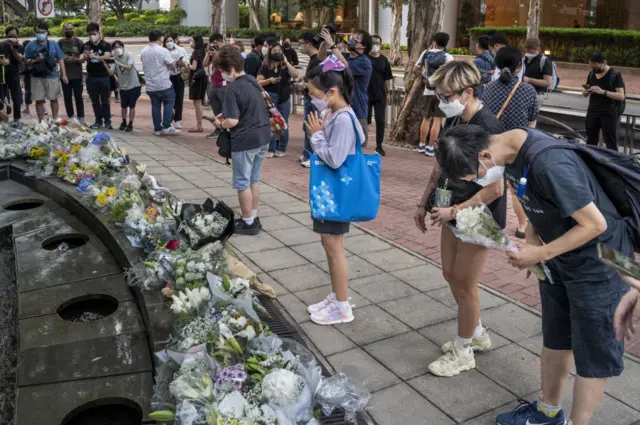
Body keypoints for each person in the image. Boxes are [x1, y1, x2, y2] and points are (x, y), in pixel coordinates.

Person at [436, 123, 636, 425]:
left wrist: (541, 253)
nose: (479, 181)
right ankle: (548, 413)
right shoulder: (513, 151)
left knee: (594, 350)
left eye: (474, 175)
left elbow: (596, 225)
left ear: (485, 154)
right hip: (561, 256)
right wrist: (532, 241)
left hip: (603, 260)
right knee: (556, 336)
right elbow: (537, 202)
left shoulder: (551, 164)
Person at [414, 61, 505, 377]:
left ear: (468, 92)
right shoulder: (453, 119)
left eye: (446, 94)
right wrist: (423, 202)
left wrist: (454, 211)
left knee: (466, 285)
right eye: (438, 94)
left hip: (478, 215)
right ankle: (476, 333)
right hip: (448, 208)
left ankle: (464, 350)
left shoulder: (489, 128)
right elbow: (440, 166)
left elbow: (495, 188)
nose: (441, 100)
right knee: (451, 275)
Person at [303, 57, 365, 325]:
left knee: (333, 247)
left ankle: (342, 307)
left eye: (314, 93)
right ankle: (337, 296)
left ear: (332, 92)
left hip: (336, 193)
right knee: (328, 245)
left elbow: (336, 159)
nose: (311, 98)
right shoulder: (337, 113)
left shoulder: (342, 118)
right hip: (329, 192)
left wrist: (316, 136)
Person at [212, 45, 271, 236]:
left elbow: (233, 121)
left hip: (245, 140)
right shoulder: (252, 81)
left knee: (242, 183)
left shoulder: (233, 88)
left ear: (229, 67)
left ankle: (247, 223)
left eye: (221, 70)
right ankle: (253, 216)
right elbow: (250, 106)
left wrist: (220, 124)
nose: (221, 74)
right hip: (263, 136)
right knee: (254, 179)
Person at [483, 46, 539, 240]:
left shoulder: (489, 88)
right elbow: (532, 121)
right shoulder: (527, 90)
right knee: (516, 189)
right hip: (518, 146)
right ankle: (522, 226)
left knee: (491, 183)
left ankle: (489, 220)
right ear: (518, 66)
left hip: (493, 144)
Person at [318, 28, 373, 146]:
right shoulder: (345, 56)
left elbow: (346, 66)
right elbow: (321, 57)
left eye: (357, 39)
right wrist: (324, 42)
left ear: (363, 46)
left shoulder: (364, 62)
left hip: (357, 111)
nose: (352, 40)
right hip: (340, 109)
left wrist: (333, 45)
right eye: (353, 37)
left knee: (356, 147)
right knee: (338, 144)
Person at [412, 32, 453, 156]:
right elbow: (451, 75)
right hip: (441, 92)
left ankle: (421, 145)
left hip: (428, 90)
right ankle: (430, 148)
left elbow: (415, 69)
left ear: (434, 41)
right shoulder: (448, 57)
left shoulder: (426, 53)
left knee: (426, 118)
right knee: (437, 120)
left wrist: (424, 78)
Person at [257, 43, 298, 157]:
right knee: (272, 123)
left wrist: (286, 61)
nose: (277, 53)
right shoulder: (265, 66)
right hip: (270, 97)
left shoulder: (285, 67)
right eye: (274, 51)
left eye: (279, 51)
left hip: (284, 98)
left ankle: (282, 148)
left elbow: (295, 74)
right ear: (270, 53)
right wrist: (269, 80)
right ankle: (271, 149)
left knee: (284, 123)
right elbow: (258, 82)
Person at [24, 22, 68, 121]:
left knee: (54, 99)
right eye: (38, 32)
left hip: (52, 76)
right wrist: (36, 60)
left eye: (42, 32)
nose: (40, 34)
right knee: (39, 100)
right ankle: (41, 121)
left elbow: (61, 59)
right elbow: (26, 61)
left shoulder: (53, 44)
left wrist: (64, 75)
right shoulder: (30, 45)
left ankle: (54, 119)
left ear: (47, 32)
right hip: (37, 76)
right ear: (35, 33)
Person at [583, 52, 625, 151]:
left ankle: (613, 163)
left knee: (610, 142)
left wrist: (603, 92)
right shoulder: (592, 73)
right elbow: (588, 86)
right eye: (592, 67)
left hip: (608, 113)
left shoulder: (614, 75)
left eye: (597, 68)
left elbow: (621, 96)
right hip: (592, 111)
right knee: (590, 141)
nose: (595, 70)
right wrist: (585, 92)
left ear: (604, 63)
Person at [141, 30, 178, 136]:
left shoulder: (144, 51)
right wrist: (175, 61)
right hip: (163, 83)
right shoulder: (163, 51)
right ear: (160, 39)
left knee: (155, 106)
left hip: (151, 85)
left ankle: (157, 129)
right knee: (169, 102)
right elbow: (171, 65)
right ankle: (166, 125)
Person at [299, 32, 322, 168]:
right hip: (309, 98)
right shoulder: (313, 59)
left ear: (308, 44)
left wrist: (307, 85)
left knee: (312, 127)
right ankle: (307, 153)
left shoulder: (317, 59)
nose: (301, 46)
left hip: (314, 99)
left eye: (302, 43)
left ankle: (314, 156)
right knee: (307, 127)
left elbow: (317, 80)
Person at [367, 35, 393, 156]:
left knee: (380, 120)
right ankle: (360, 144)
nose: (375, 45)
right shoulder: (364, 58)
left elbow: (387, 78)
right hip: (365, 94)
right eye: (373, 43)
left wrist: (388, 92)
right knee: (363, 120)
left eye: (377, 43)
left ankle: (379, 145)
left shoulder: (383, 60)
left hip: (380, 95)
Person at [83, 23, 112, 129]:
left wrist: (94, 56)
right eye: (89, 34)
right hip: (91, 77)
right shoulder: (86, 45)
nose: (92, 36)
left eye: (94, 34)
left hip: (103, 77)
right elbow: (83, 59)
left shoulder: (105, 45)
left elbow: (106, 56)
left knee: (105, 101)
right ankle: (98, 120)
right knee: (95, 101)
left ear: (99, 33)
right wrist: (84, 57)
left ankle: (108, 121)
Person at [58, 23, 85, 123]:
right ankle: (71, 117)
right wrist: (61, 58)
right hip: (65, 76)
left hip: (77, 75)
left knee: (78, 97)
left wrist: (74, 59)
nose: (68, 30)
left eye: (70, 29)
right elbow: (56, 58)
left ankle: (81, 118)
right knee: (67, 97)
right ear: (63, 30)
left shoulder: (78, 42)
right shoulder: (60, 43)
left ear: (73, 30)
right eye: (66, 29)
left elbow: (84, 57)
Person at [112, 40, 140, 132]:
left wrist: (118, 63)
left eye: (119, 47)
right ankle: (123, 122)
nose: (117, 49)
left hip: (134, 85)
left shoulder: (128, 56)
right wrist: (105, 63)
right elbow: (111, 72)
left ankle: (130, 123)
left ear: (123, 48)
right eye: (115, 47)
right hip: (123, 87)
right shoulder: (114, 59)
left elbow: (129, 66)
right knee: (123, 106)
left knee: (132, 106)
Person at [204, 33, 226, 138]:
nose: (214, 45)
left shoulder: (227, 51)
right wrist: (208, 54)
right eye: (212, 43)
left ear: (221, 41)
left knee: (225, 109)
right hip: (214, 84)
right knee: (216, 109)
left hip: (224, 85)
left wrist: (217, 53)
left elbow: (226, 64)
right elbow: (204, 64)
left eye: (216, 43)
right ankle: (218, 129)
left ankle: (226, 130)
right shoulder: (212, 52)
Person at [0, 26, 25, 122]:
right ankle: (2, 120)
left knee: (17, 98)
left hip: (14, 74)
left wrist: (14, 49)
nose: (12, 38)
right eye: (10, 36)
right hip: (1, 75)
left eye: (14, 35)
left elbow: (20, 58)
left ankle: (16, 119)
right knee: (1, 98)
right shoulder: (1, 46)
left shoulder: (20, 47)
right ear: (7, 36)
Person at [522, 37, 554, 110]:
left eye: (532, 52)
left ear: (538, 49)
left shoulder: (544, 61)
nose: (530, 54)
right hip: (523, 94)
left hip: (536, 95)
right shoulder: (524, 59)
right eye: (528, 51)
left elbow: (548, 82)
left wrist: (529, 80)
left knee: (531, 119)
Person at [163, 35, 187, 130]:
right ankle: (169, 120)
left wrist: (182, 62)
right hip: (167, 77)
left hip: (178, 76)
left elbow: (184, 61)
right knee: (169, 100)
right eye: (167, 41)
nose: (169, 42)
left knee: (179, 99)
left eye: (171, 40)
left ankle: (178, 120)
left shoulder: (179, 50)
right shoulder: (163, 52)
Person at [186, 35, 207, 134]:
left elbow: (193, 67)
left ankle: (199, 125)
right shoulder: (203, 51)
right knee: (199, 102)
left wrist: (186, 64)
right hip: (202, 78)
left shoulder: (196, 52)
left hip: (196, 78)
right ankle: (199, 124)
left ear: (196, 42)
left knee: (197, 102)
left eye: (192, 41)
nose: (190, 42)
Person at [21, 39, 32, 116]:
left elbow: (23, 68)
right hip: (36, 75)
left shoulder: (24, 55)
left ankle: (27, 109)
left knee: (28, 92)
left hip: (28, 76)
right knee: (39, 92)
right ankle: (44, 108)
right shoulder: (35, 53)